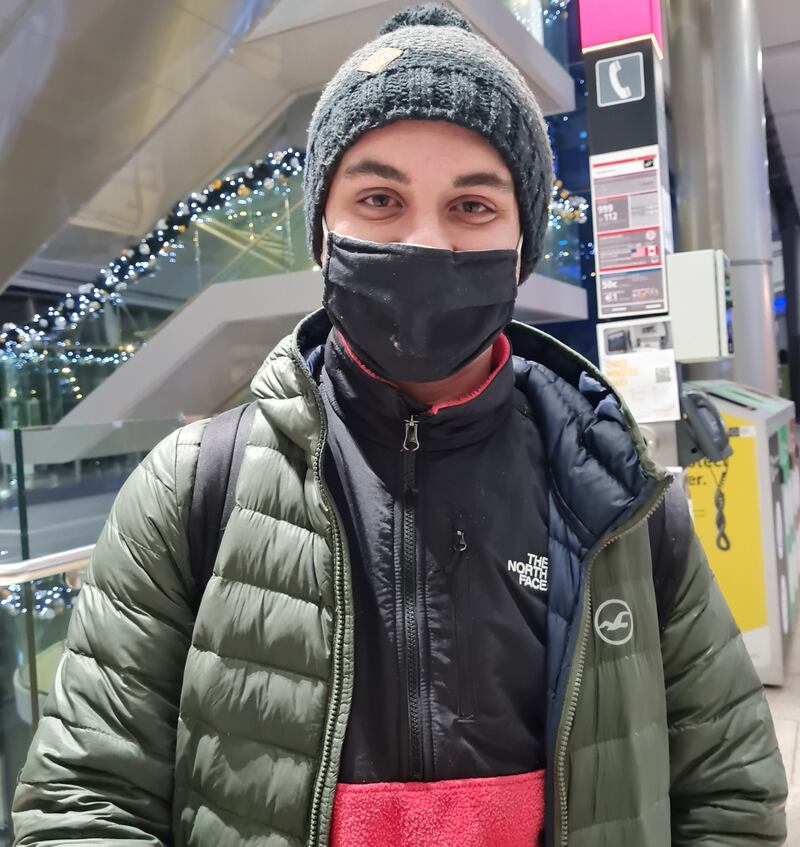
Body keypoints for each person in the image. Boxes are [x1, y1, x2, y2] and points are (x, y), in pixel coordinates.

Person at [12, 5, 787, 846]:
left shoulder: (622, 505)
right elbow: (85, 800)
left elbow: (729, 798)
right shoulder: (191, 489)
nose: (425, 241)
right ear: (322, 235)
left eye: (472, 205)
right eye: (380, 199)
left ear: (522, 246)